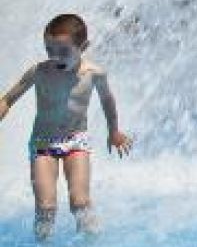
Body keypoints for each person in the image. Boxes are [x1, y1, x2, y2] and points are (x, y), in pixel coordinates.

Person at [0, 14, 134, 240]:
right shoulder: (40, 72)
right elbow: (7, 100)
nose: (54, 57)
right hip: (44, 143)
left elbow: (108, 102)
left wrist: (114, 131)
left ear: (84, 47)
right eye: (49, 50)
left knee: (80, 202)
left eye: (63, 51)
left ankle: (91, 240)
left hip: (76, 141)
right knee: (45, 206)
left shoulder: (94, 74)